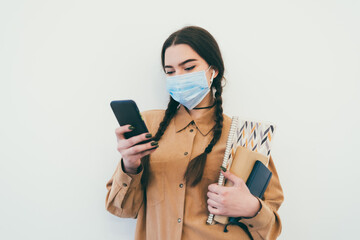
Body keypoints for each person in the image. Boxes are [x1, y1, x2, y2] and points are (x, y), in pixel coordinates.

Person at [105, 26, 284, 240]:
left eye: (188, 67)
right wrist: (129, 165)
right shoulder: (150, 126)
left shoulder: (248, 135)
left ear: (213, 70)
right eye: (170, 72)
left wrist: (252, 208)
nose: (178, 77)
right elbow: (121, 209)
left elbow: (270, 230)